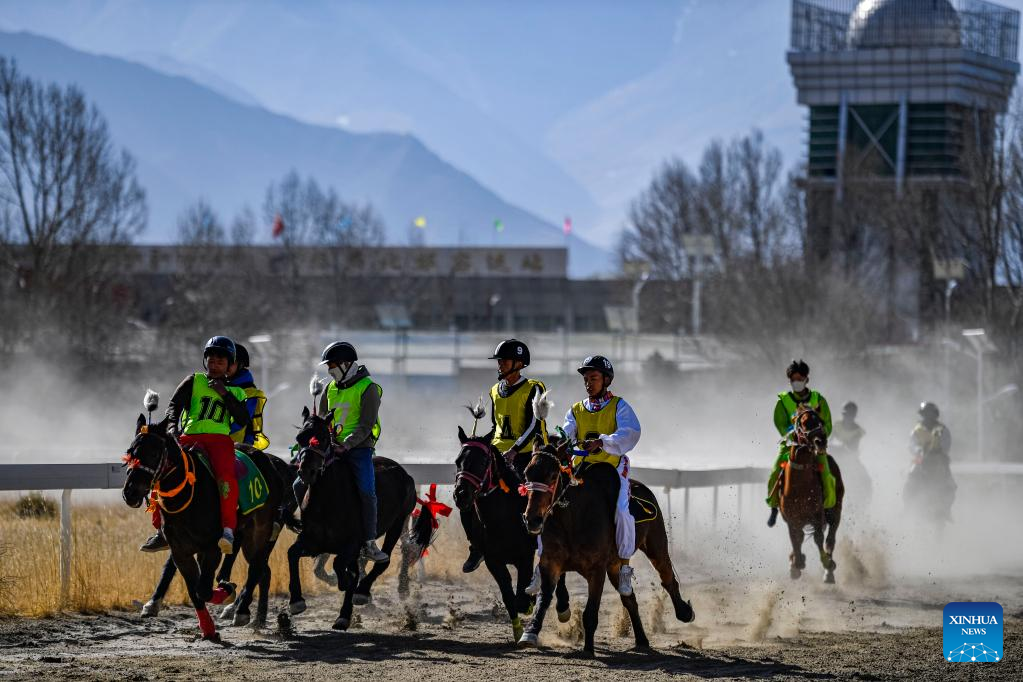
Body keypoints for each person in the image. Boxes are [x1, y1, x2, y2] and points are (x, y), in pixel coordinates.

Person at [140, 336, 251, 554]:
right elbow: (174, 406)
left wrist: (224, 393)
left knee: (226, 478)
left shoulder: (237, 392)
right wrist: (172, 428)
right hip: (189, 438)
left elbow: (242, 418)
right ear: (205, 361)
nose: (214, 365)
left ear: (229, 366)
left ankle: (228, 529)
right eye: (210, 361)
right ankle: (160, 529)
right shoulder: (193, 380)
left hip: (219, 441)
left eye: (220, 362)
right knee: (161, 471)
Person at [460, 338, 547, 574]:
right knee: (465, 488)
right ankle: (476, 545)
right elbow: (497, 428)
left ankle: (537, 546)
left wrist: (515, 449)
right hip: (497, 455)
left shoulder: (534, 388)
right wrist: (477, 443)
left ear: (519, 363)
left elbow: (534, 426)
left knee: (526, 500)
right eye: (499, 361)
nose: (499, 365)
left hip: (525, 456)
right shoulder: (493, 391)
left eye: (504, 361)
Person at [562, 355, 641, 596]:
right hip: (583, 470)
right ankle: (543, 561)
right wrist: (561, 442)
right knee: (554, 503)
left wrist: (603, 442)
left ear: (606, 379)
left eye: (593, 378)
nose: (588, 383)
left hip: (612, 469)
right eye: (586, 379)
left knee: (621, 509)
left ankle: (625, 567)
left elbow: (631, 433)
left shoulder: (620, 406)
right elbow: (566, 432)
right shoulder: (575, 409)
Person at [311, 341, 388, 562]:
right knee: (300, 482)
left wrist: (347, 444)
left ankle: (370, 543)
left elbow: (366, 425)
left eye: (332, 365)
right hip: (330, 448)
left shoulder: (368, 388)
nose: (329, 370)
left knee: (367, 491)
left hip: (359, 449)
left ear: (346, 364)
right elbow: (323, 421)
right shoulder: (329, 388)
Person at [766, 359, 837, 528]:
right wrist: (789, 434)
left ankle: (828, 508)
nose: (796, 382)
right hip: (791, 445)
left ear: (807, 379)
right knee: (776, 470)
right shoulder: (782, 401)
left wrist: (819, 438)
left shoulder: (818, 399)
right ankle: (774, 506)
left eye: (800, 378)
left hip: (814, 446)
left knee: (826, 473)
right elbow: (780, 423)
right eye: (793, 379)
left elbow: (827, 423)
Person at [904, 402, 956, 521]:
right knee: (911, 478)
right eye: (925, 414)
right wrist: (918, 450)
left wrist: (938, 451)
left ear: (935, 415)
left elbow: (946, 444)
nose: (928, 416)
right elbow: (912, 444)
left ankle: (946, 509)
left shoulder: (941, 429)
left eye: (930, 413)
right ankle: (907, 506)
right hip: (921, 459)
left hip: (938, 459)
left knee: (950, 485)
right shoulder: (917, 429)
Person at [228, 342, 269, 450]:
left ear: (240, 364)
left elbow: (238, 423)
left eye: (231, 362)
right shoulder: (215, 385)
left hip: (238, 446)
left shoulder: (250, 393)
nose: (226, 365)